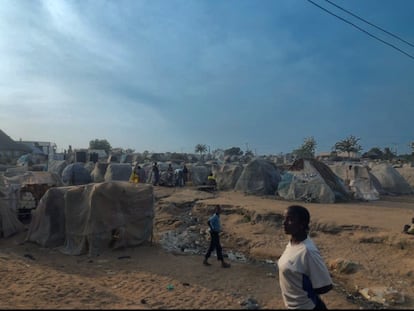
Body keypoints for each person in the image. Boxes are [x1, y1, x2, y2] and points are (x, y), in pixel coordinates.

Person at [278, 205, 333, 310]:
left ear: (301, 224)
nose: (284, 223)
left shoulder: (307, 251)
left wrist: (305, 290)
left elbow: (325, 286)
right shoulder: (292, 243)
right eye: (284, 218)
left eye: (290, 220)